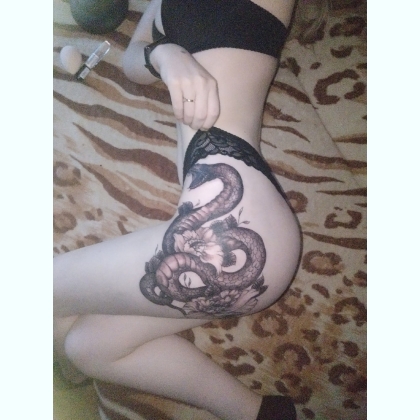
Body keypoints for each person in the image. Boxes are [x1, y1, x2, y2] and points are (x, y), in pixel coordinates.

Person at [54, 0, 304, 418]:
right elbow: (133, 61)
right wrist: (166, 54)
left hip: (236, 215)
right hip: (237, 242)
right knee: (87, 348)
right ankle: (260, 413)